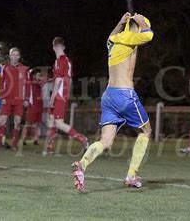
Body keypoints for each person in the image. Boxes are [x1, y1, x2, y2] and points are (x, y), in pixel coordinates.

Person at [71, 12, 154, 193]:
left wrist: (120, 22)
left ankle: (82, 165)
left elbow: (109, 38)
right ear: (137, 28)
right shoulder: (132, 38)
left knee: (106, 141)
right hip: (124, 95)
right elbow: (149, 35)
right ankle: (131, 175)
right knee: (146, 131)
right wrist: (140, 21)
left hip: (108, 96)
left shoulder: (115, 40)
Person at [43, 37, 88, 154]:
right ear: (63, 46)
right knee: (51, 120)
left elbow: (58, 81)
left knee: (59, 123)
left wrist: (53, 98)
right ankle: (49, 148)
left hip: (59, 95)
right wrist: (67, 93)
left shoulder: (59, 61)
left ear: (54, 47)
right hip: (63, 94)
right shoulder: (68, 61)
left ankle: (82, 139)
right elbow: (70, 80)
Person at [0, 47, 30, 151]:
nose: (15, 57)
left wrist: (27, 99)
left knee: (17, 122)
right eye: (13, 55)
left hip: (19, 100)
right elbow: (0, 83)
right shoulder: (5, 68)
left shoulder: (24, 69)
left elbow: (27, 85)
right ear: (10, 56)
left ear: (19, 56)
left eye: (17, 55)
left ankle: (14, 145)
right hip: (7, 99)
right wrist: (2, 97)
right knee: (2, 120)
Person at [21, 68, 46, 145]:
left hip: (39, 105)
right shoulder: (30, 83)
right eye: (37, 75)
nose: (39, 77)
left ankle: (35, 139)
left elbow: (46, 78)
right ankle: (23, 139)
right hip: (32, 105)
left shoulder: (39, 84)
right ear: (33, 76)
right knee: (28, 123)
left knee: (36, 123)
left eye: (39, 75)